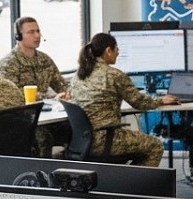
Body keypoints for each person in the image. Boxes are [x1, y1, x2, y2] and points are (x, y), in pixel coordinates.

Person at [68, 32, 177, 167]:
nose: (118, 53)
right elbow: (139, 102)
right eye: (116, 49)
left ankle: (126, 178)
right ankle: (132, 180)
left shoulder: (78, 75)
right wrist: (161, 100)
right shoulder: (115, 75)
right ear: (108, 50)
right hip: (106, 141)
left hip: (82, 141)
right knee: (155, 146)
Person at [0, 16, 70, 155]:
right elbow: (12, 95)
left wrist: (66, 94)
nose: (37, 36)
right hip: (23, 120)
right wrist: (48, 97)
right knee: (43, 138)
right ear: (18, 36)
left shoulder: (44, 59)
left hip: (48, 116)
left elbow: (61, 85)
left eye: (38, 31)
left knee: (75, 128)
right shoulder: (8, 64)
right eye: (31, 32)